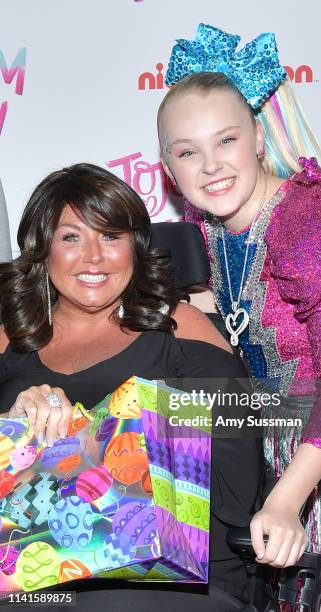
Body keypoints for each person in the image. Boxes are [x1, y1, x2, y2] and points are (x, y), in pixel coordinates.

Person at [157, 23, 321, 611]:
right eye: (188, 151)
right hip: (266, 428)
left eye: (227, 140)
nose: (211, 165)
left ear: (258, 139)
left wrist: (287, 499)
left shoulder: (319, 222)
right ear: (169, 167)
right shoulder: (202, 229)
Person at [0, 162, 264, 612]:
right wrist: (12, 423)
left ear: (135, 248)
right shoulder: (10, 340)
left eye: (111, 236)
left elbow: (241, 487)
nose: (93, 257)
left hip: (169, 575)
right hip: (34, 580)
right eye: (70, 237)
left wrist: (133, 416)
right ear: (42, 250)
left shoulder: (180, 327)